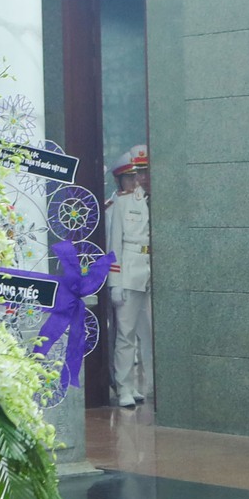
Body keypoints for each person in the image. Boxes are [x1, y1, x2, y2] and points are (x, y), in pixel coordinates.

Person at [105, 146, 152, 408]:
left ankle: (152, 384)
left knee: (150, 333)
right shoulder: (122, 203)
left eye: (144, 173)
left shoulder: (155, 200)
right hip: (130, 273)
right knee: (126, 333)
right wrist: (116, 283)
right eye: (137, 174)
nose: (140, 179)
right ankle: (124, 386)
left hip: (151, 270)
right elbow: (115, 247)